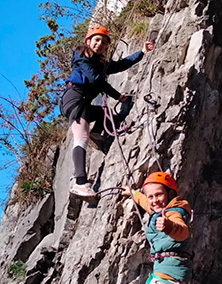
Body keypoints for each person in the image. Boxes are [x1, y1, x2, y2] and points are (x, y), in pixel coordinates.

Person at [60, 26, 154, 199]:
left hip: (82, 101)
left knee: (104, 114)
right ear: (88, 41)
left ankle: (97, 136)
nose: (100, 44)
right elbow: (95, 80)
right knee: (80, 138)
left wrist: (141, 52)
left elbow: (120, 65)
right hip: (75, 99)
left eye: (103, 42)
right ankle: (80, 183)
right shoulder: (81, 56)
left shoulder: (99, 63)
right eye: (96, 40)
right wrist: (117, 96)